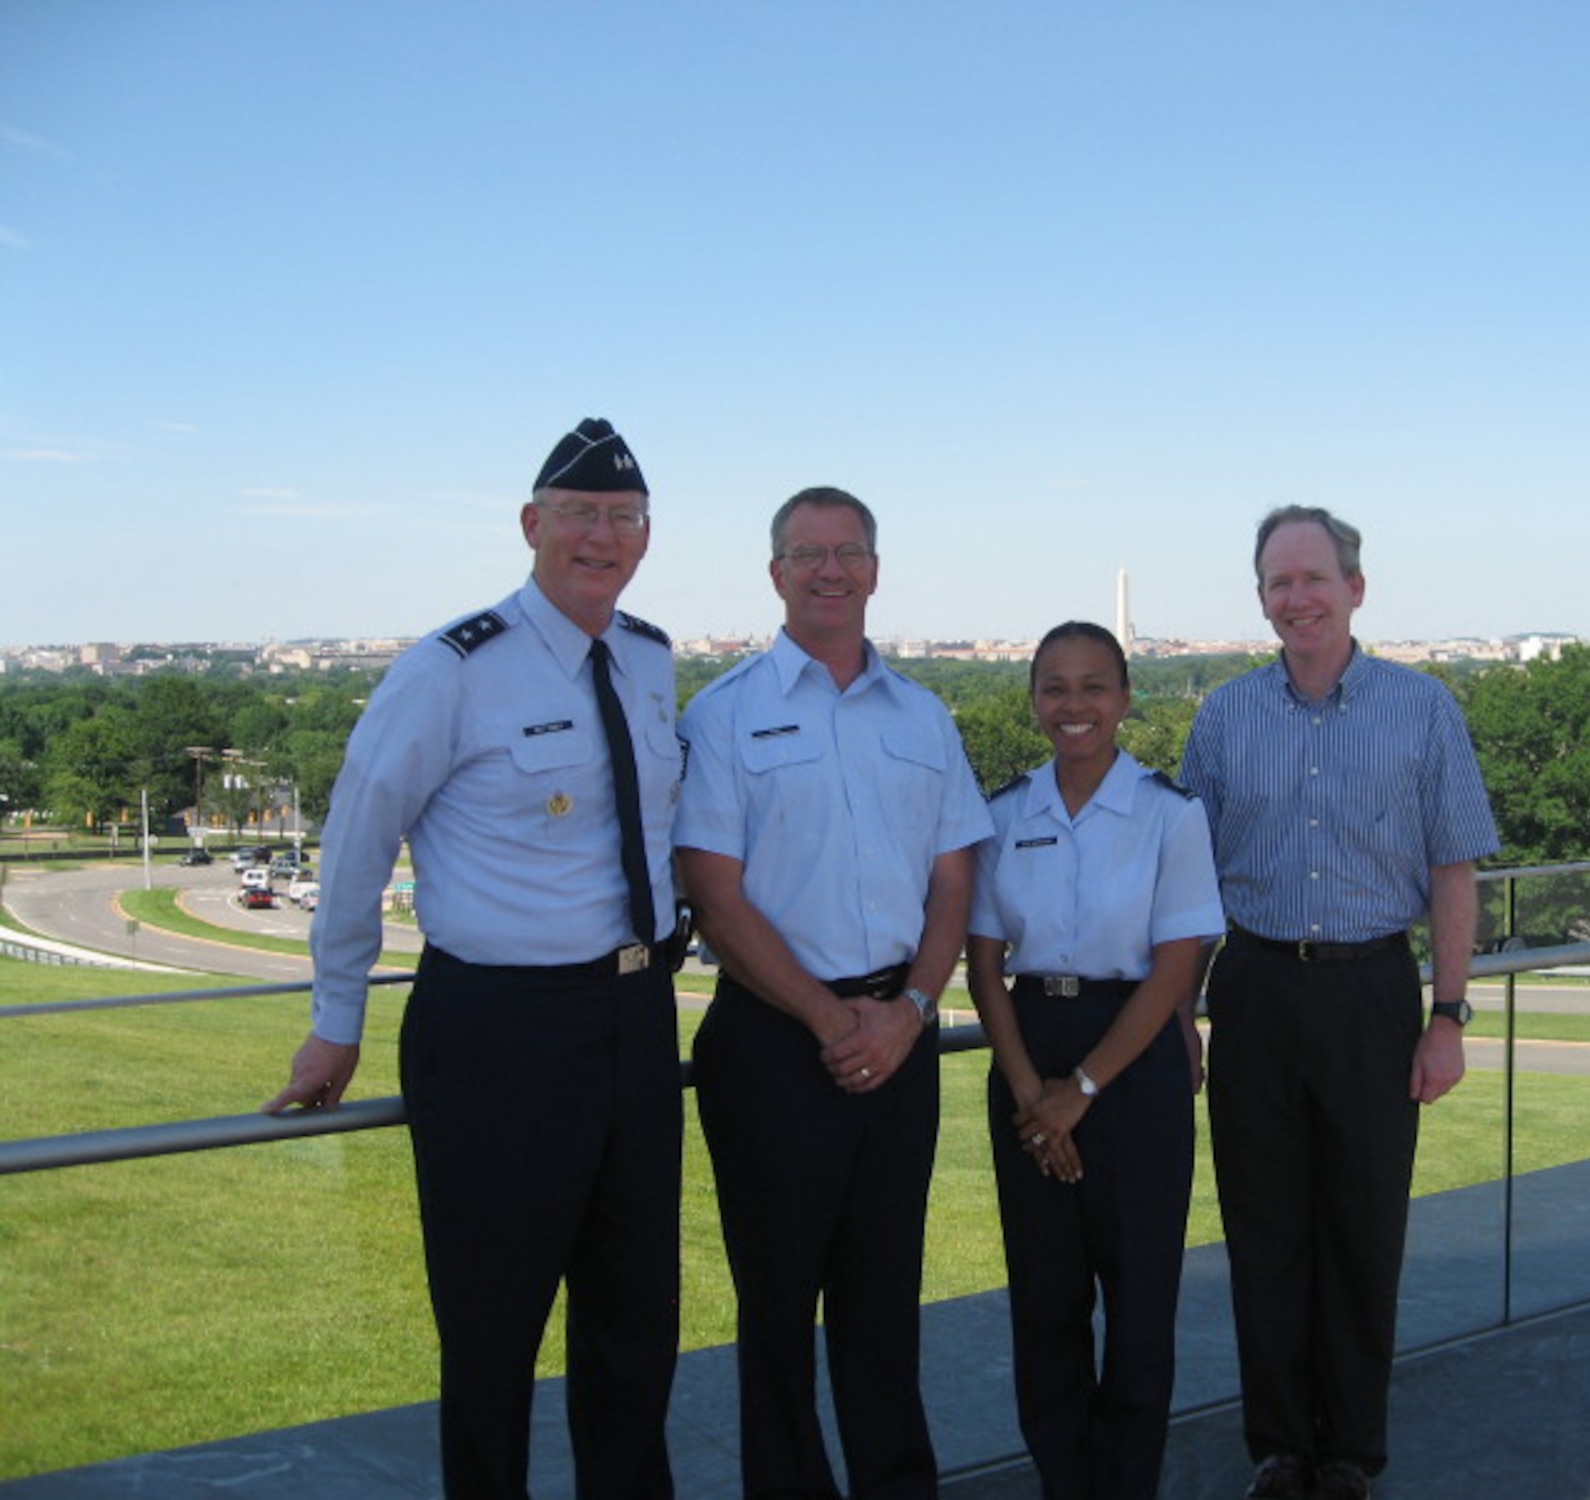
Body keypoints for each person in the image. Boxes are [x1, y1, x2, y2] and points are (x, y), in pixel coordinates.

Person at [263, 418, 689, 1500]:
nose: (602, 537)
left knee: (636, 1324)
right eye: (581, 516)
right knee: (494, 1336)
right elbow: (355, 846)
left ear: (645, 536)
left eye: (623, 519)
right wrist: (335, 1020)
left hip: (635, 1023)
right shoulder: (449, 671)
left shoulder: (647, 657)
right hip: (497, 1032)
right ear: (531, 524)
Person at [673, 485, 993, 1500]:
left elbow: (954, 877)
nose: (828, 570)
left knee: (884, 1299)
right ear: (775, 575)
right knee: (775, 1311)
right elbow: (713, 895)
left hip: (899, 1035)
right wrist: (827, 1019)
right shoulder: (723, 714)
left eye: (846, 551)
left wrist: (907, 1011)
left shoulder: (924, 714)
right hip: (773, 1044)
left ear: (874, 570)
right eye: (805, 553)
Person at [1179, 506, 1498, 1500]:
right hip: (1254, 987)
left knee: (1363, 1231)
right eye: (1277, 582)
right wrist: (1181, 1015)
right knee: (1263, 1231)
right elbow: (1186, 879)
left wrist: (1446, 1014)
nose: (1296, 598)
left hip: (1370, 990)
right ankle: (1278, 1447)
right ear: (1260, 599)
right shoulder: (1223, 717)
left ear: (1354, 588)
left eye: (1313, 578)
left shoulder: (1422, 709)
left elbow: (1453, 868)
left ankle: (1351, 1451)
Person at [966, 621, 1224, 1500]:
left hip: (1135, 1062)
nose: (1073, 707)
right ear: (1034, 698)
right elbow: (985, 966)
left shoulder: (1169, 813)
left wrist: (1081, 1091)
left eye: (1093, 687)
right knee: (1045, 1304)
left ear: (1125, 698)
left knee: (1141, 1304)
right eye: (1054, 688)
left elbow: (1178, 966)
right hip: (1027, 1051)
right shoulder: (1001, 815)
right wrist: (1035, 1094)